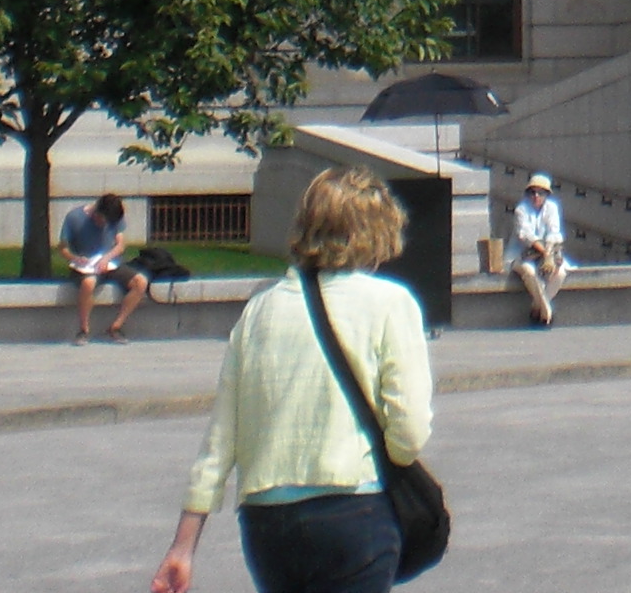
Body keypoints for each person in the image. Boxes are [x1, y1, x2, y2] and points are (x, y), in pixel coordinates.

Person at [149, 166, 434, 593]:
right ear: (378, 231)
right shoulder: (391, 303)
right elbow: (408, 435)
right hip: (352, 509)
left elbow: (220, 439)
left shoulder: (260, 310)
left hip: (267, 522)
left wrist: (182, 547)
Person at [62, 189, 154, 342]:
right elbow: (63, 248)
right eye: (101, 220)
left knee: (141, 282)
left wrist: (107, 258)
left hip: (110, 264)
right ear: (96, 211)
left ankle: (116, 327)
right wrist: (75, 258)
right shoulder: (74, 217)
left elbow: (120, 245)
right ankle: (84, 329)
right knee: (88, 283)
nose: (103, 224)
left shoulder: (115, 218)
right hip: (85, 266)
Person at [508, 173, 568, 325]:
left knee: (560, 273)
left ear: (546, 194)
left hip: (547, 252)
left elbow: (554, 232)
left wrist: (548, 255)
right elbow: (526, 235)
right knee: (529, 272)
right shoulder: (521, 210)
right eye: (532, 192)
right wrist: (545, 253)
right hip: (523, 255)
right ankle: (547, 312)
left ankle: (537, 307)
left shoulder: (552, 208)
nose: (536, 196)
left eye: (540, 193)